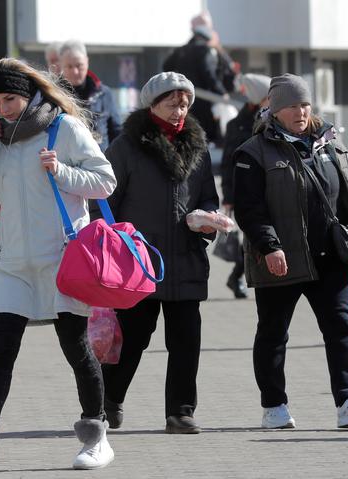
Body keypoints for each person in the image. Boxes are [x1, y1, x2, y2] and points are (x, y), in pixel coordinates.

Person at [0, 58, 117, 473]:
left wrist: (63, 172)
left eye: (11, 99)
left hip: (62, 259)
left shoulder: (63, 128)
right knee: (1, 351)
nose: (4, 108)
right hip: (12, 262)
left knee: (75, 349)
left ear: (30, 93)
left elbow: (105, 181)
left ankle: (97, 435)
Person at [233, 73, 348, 429]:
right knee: (273, 333)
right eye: (290, 105)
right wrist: (269, 246)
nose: (300, 111)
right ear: (274, 109)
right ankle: (274, 406)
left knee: (341, 328)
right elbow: (249, 209)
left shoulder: (330, 144)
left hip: (331, 257)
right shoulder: (253, 152)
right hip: (280, 258)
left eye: (304, 104)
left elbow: (346, 201)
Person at [99, 72, 219, 434]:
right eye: (172, 102)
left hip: (185, 258)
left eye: (184, 103)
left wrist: (207, 220)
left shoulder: (198, 147)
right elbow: (103, 200)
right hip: (138, 262)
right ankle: (108, 399)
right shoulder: (126, 146)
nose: (179, 110)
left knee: (186, 340)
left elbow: (207, 196)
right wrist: (116, 246)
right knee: (133, 337)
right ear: (153, 103)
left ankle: (180, 411)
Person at [220, 73, 271, 299]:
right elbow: (228, 162)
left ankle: (238, 275)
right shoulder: (237, 125)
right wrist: (228, 195)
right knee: (253, 236)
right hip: (244, 191)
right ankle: (240, 275)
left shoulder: (274, 118)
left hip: (270, 188)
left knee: (263, 236)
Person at [163, 11, 237, 144]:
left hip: (184, 102)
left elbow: (166, 67)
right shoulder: (204, 50)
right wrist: (222, 92)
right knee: (203, 137)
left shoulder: (182, 50)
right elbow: (209, 75)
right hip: (204, 104)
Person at [58, 40, 121, 151]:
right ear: (61, 66)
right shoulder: (53, 94)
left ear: (87, 62)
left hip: (101, 160)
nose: (75, 71)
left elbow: (116, 131)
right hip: (67, 163)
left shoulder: (103, 93)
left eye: (79, 65)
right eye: (69, 66)